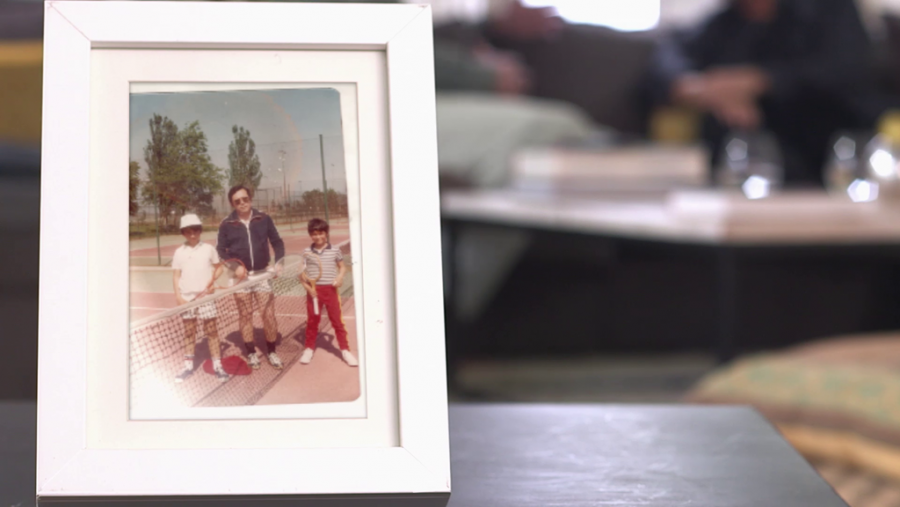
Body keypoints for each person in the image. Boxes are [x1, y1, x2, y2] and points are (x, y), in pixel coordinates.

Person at [645, 0, 876, 186]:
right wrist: (699, 89)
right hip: (739, 166)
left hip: (824, 150)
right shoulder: (724, 24)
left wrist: (758, 81)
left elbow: (846, 70)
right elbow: (665, 60)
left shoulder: (831, 10)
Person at [216, 185, 285, 371]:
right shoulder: (226, 224)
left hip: (262, 274)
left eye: (245, 199)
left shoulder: (264, 218)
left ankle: (271, 352)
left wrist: (279, 263)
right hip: (240, 279)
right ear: (232, 203)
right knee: (245, 316)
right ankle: (252, 353)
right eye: (237, 201)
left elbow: (277, 242)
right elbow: (221, 251)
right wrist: (234, 266)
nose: (242, 203)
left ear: (250, 199)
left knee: (268, 314)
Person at [171, 213, 229, 383]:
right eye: (188, 231)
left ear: (200, 230)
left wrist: (212, 281)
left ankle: (218, 365)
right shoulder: (179, 252)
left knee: (211, 331)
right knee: (189, 333)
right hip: (187, 298)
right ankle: (188, 366)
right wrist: (178, 297)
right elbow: (176, 276)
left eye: (195, 230)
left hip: (206, 298)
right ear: (183, 233)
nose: (192, 234)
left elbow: (219, 268)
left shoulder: (209, 249)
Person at [297, 218, 358, 367]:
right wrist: (309, 288)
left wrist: (340, 278)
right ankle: (309, 348)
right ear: (310, 235)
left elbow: (342, 267)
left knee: (337, 321)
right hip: (313, 292)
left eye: (321, 233)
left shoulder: (335, 250)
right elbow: (301, 274)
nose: (318, 237)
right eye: (314, 234)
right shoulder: (306, 252)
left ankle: (345, 350)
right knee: (312, 322)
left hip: (330, 291)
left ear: (326, 233)